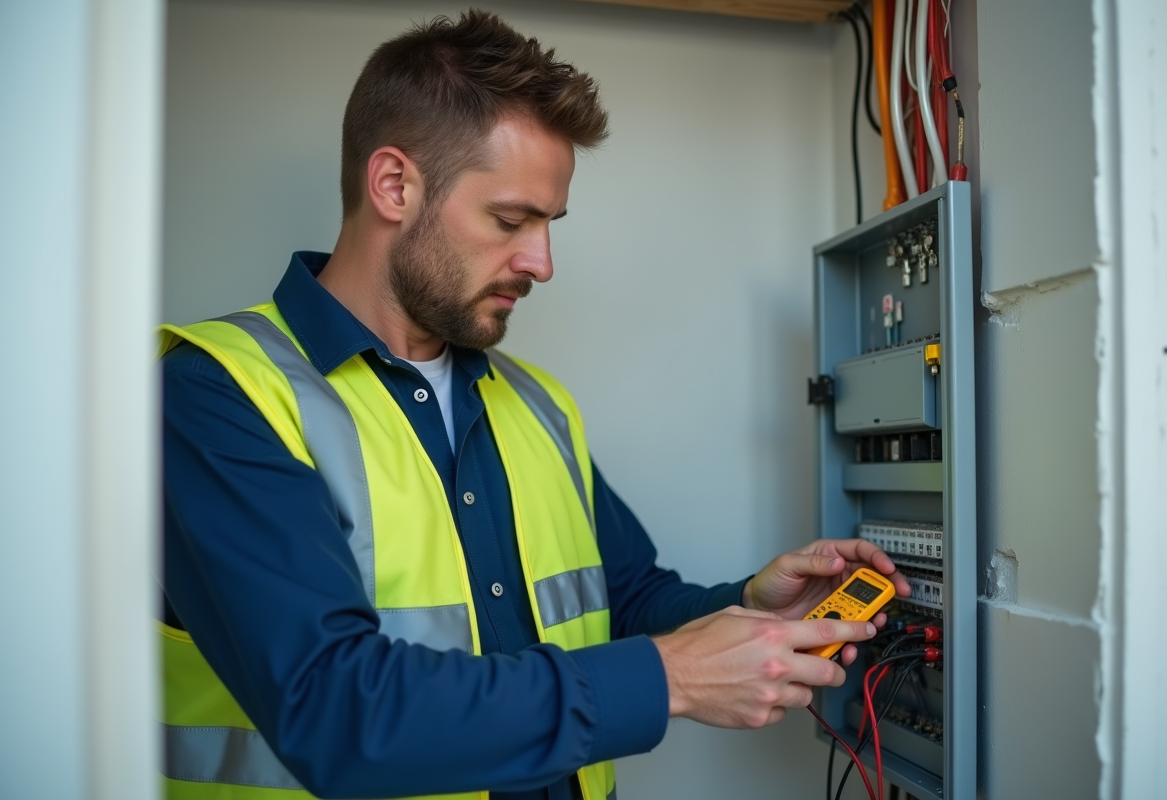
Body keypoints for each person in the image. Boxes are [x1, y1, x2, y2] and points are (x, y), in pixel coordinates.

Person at [158, 10, 910, 800]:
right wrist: (670, 680)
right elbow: (336, 711)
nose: (541, 262)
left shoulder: (534, 403)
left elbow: (623, 599)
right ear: (394, 185)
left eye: (548, 224)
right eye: (511, 220)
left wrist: (748, 605)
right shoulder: (220, 395)